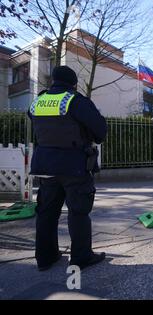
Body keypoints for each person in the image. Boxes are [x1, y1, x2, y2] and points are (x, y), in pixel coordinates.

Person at [28, 66, 107, 271]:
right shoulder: (75, 100)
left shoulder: (37, 101)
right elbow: (100, 130)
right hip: (74, 166)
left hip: (45, 166)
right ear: (73, 83)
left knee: (46, 213)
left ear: (53, 81)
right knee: (78, 212)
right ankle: (81, 257)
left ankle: (45, 258)